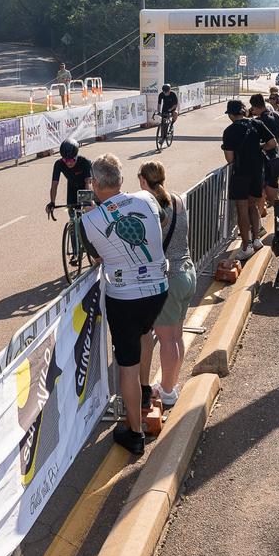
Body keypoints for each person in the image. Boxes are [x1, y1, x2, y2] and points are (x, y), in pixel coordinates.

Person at [78, 154, 168, 456]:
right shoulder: (145, 197)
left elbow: (97, 257)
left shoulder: (88, 220)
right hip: (158, 290)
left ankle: (135, 432)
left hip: (125, 299)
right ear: (120, 179)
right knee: (146, 335)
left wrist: (99, 213)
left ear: (96, 184)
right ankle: (144, 392)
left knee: (125, 366)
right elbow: (162, 220)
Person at [137, 161, 192, 410]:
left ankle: (168, 392)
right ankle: (171, 384)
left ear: (143, 181)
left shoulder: (153, 208)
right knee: (176, 337)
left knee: (167, 340)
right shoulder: (178, 199)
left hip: (169, 279)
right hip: (187, 273)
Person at [221, 100, 276, 260]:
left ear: (231, 115)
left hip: (240, 173)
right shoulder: (257, 123)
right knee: (253, 206)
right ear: (244, 111)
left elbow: (230, 159)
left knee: (242, 210)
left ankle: (246, 247)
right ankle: (256, 240)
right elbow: (272, 143)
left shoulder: (229, 131)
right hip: (257, 172)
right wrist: (259, 148)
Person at [249, 93, 279, 206]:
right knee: (274, 194)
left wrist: (260, 147)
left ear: (254, 107)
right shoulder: (277, 116)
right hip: (277, 158)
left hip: (265, 162)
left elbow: (269, 143)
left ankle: (269, 220)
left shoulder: (259, 121)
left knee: (263, 195)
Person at [47, 139, 94, 215]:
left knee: (87, 215)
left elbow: (88, 183)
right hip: (72, 188)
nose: (69, 163)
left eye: (72, 160)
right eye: (65, 160)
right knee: (72, 215)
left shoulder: (84, 162)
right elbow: (54, 184)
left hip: (85, 187)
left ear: (76, 156)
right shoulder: (58, 164)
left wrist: (87, 202)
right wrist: (52, 202)